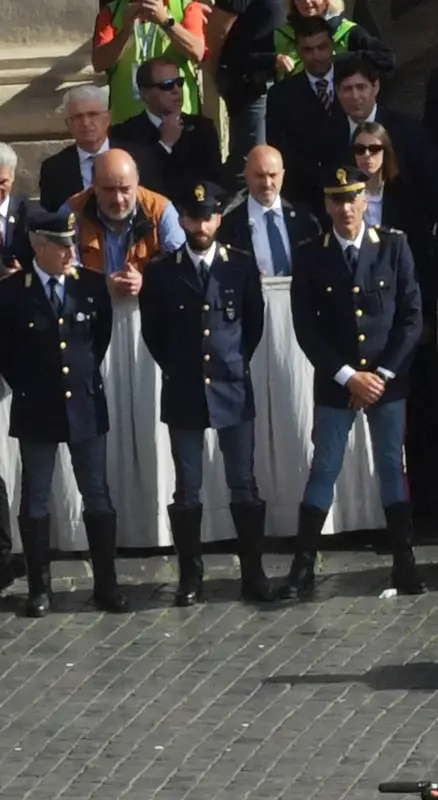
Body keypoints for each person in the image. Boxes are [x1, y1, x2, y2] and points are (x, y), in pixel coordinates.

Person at [290, 167, 423, 600]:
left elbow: (411, 317)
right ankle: (303, 566)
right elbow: (307, 328)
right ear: (327, 205)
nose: (346, 209)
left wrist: (381, 375)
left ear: (366, 200)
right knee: (324, 467)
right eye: (337, 200)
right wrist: (348, 376)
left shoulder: (394, 246)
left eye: (353, 199)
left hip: (386, 383)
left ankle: (404, 562)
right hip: (338, 382)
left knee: (391, 466)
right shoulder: (311, 254)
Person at [138, 178, 270, 605]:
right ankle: (190, 576)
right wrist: (181, 370)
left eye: (208, 216)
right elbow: (154, 335)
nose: (201, 225)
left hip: (232, 388)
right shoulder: (161, 272)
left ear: (218, 218)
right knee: (187, 488)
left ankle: (253, 571)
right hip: (185, 391)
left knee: (243, 484)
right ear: (183, 219)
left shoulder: (240, 266)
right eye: (193, 217)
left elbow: (251, 328)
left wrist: (230, 366)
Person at [0, 209, 122, 616]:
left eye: (72, 245)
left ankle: (107, 583)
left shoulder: (92, 287)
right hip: (38, 404)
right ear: (38, 246)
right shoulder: (11, 292)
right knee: (36, 500)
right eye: (61, 246)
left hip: (83, 402)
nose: (70, 254)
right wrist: (30, 385)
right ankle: (39, 587)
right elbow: (1, 350)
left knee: (97, 495)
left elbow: (97, 342)